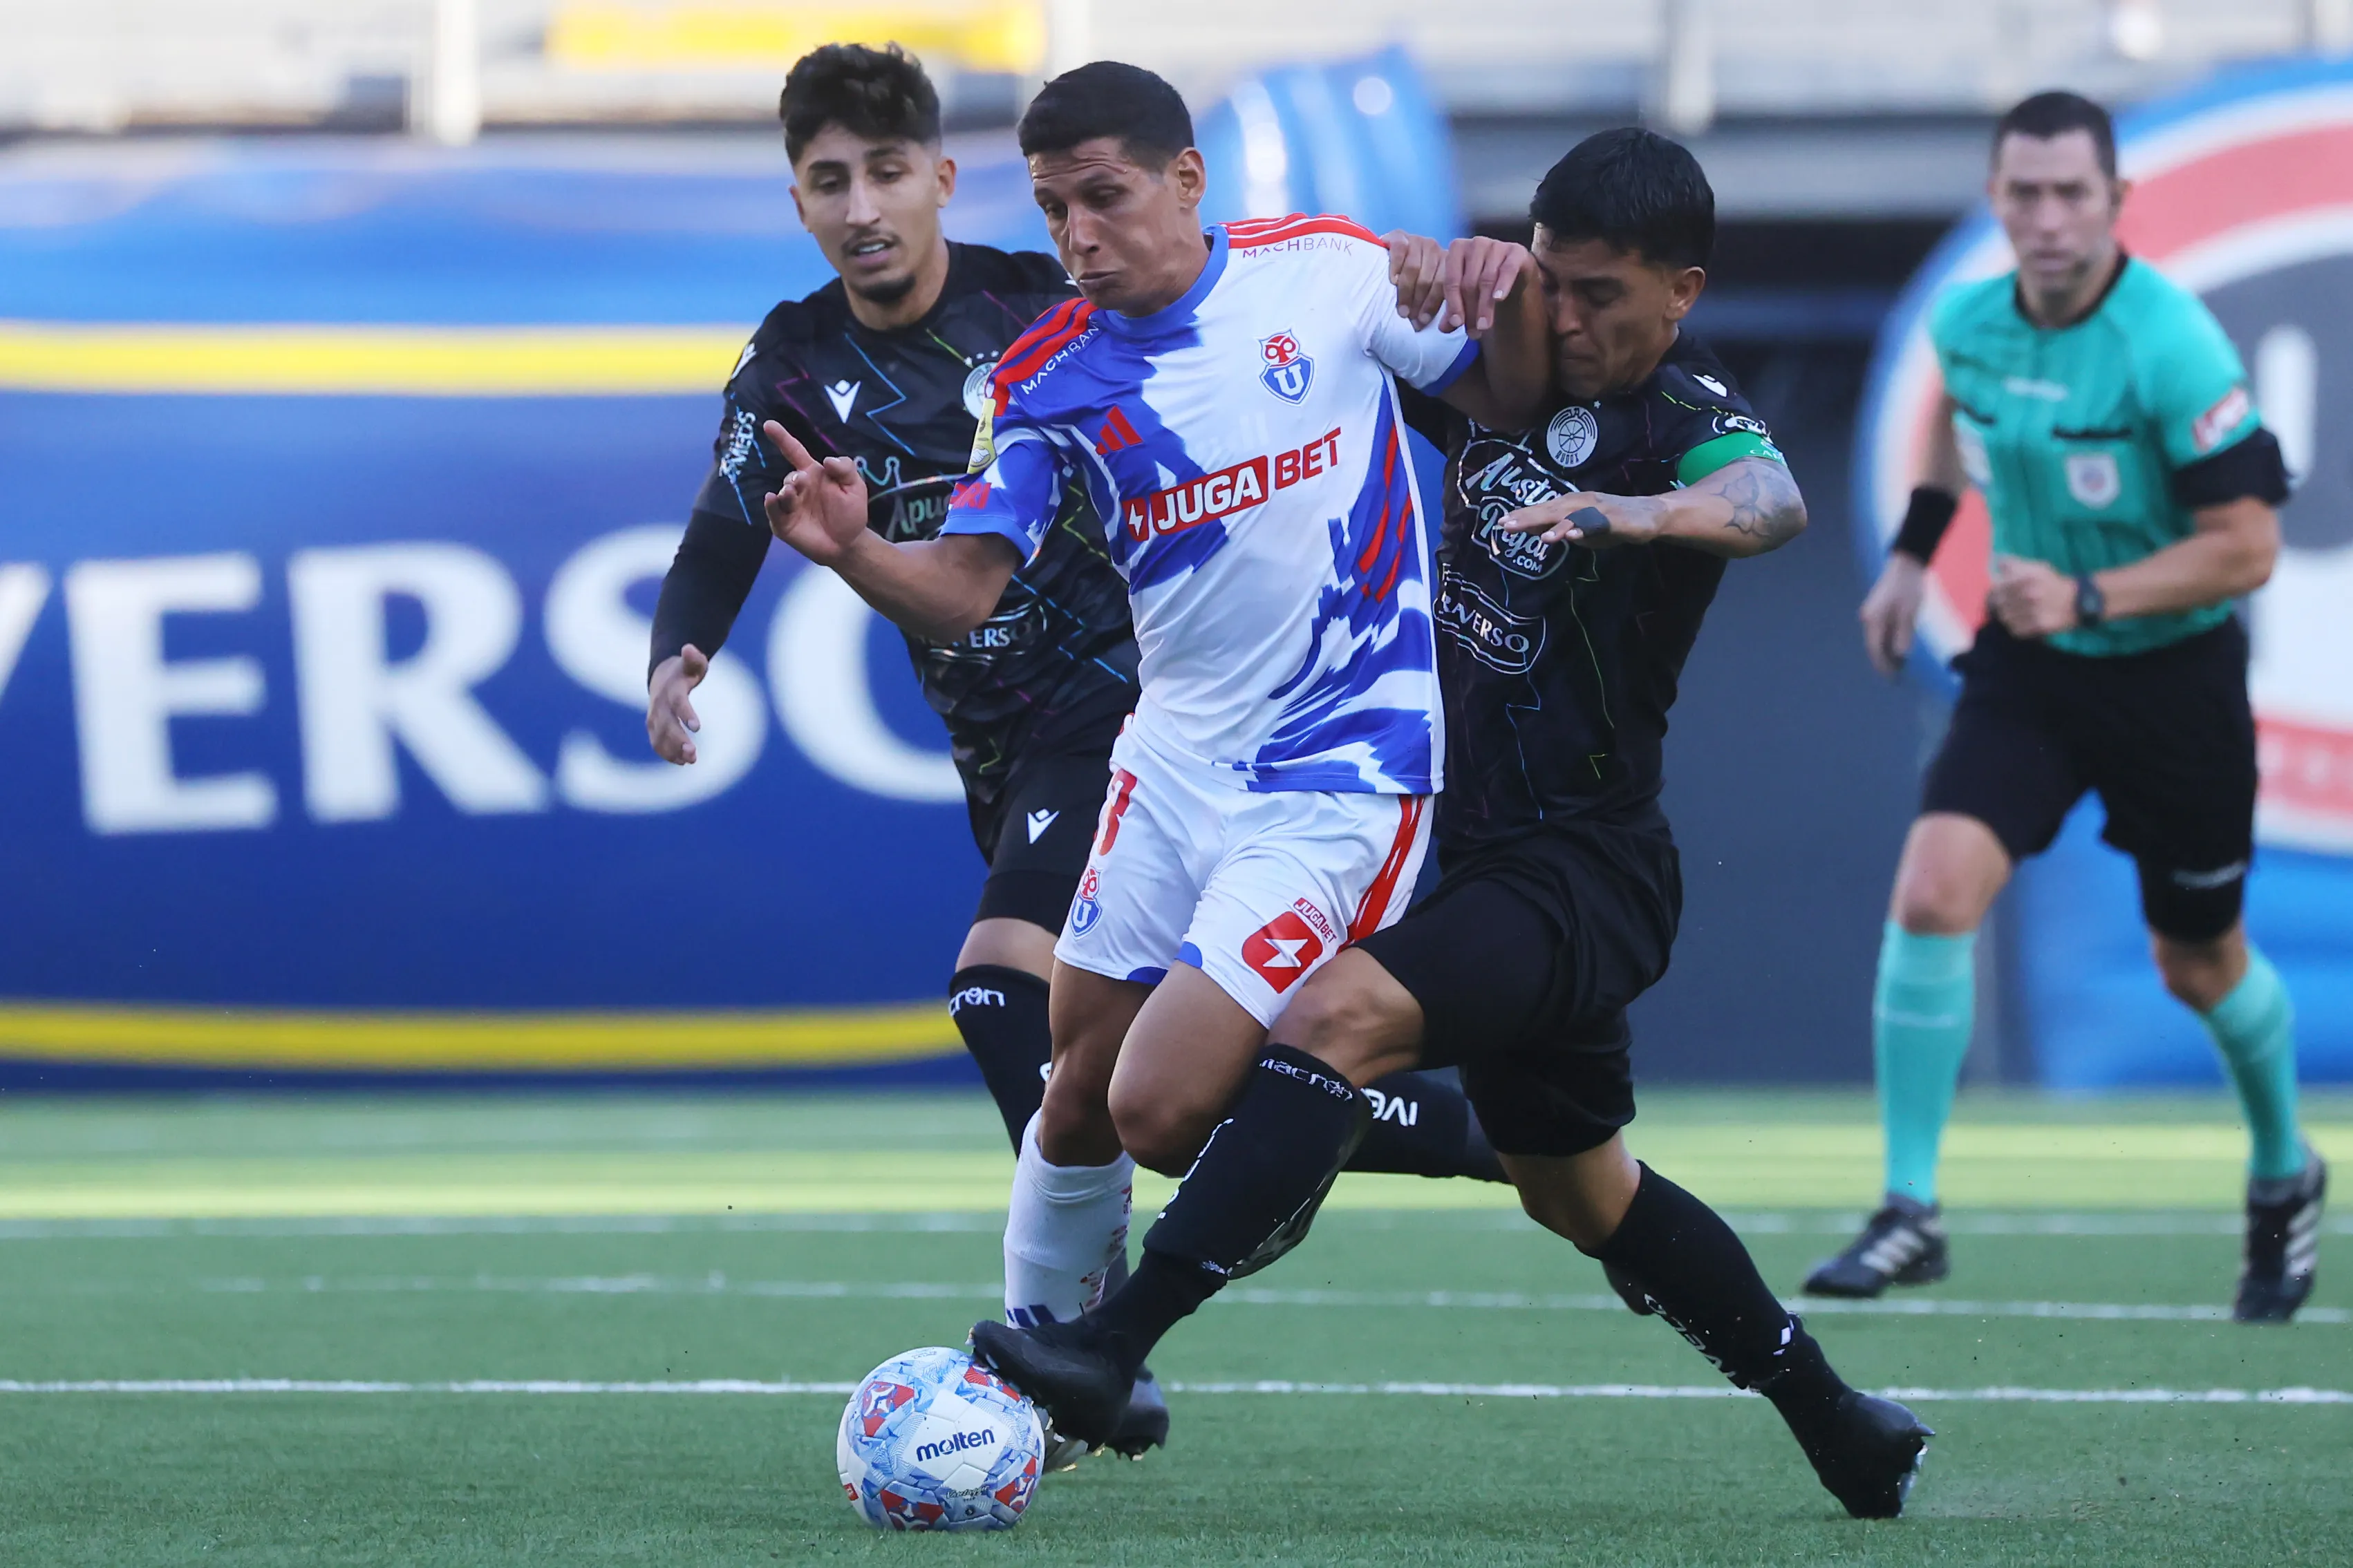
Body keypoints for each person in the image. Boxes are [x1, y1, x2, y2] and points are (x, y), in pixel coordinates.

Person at [970, 128, 1933, 1521]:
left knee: (1329, 1024)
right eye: (1551, 281)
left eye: (1603, 293)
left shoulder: (1684, 415)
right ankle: (1836, 1416)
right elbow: (1330, 350)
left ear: (1683, 291)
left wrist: (1638, 512)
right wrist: (1425, 267)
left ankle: (1114, 1347)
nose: (1570, 317)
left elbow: (1768, 500)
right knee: (1580, 1195)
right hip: (1442, 845)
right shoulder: (1502, 381)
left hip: (1573, 868)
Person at [646, 45, 1517, 1460]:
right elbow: (829, 550)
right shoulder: (909, 367)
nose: (1078, 236)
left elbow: (1459, 381)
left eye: (886, 172)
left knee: (1083, 1057)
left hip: (1207, 722)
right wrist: (780, 595)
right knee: (1078, 1088)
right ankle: (1093, 1338)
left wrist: (1474, 279)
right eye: (826, 182)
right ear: (798, 202)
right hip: (1084, 750)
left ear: (939, 177)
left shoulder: (1195, 285)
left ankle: (1108, 1327)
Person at [1813, 91, 2321, 1321]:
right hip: (2033, 668)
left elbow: (2248, 546)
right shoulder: (1972, 321)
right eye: (2024, 193)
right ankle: (1909, 1207)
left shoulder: (2172, 343)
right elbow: (1949, 426)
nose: (2046, 218)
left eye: (2070, 194)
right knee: (1932, 892)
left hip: (2174, 677)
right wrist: (1911, 557)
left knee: (2199, 964)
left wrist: (2090, 591)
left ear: (2115, 205)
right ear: (1997, 199)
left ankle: (2284, 1169)